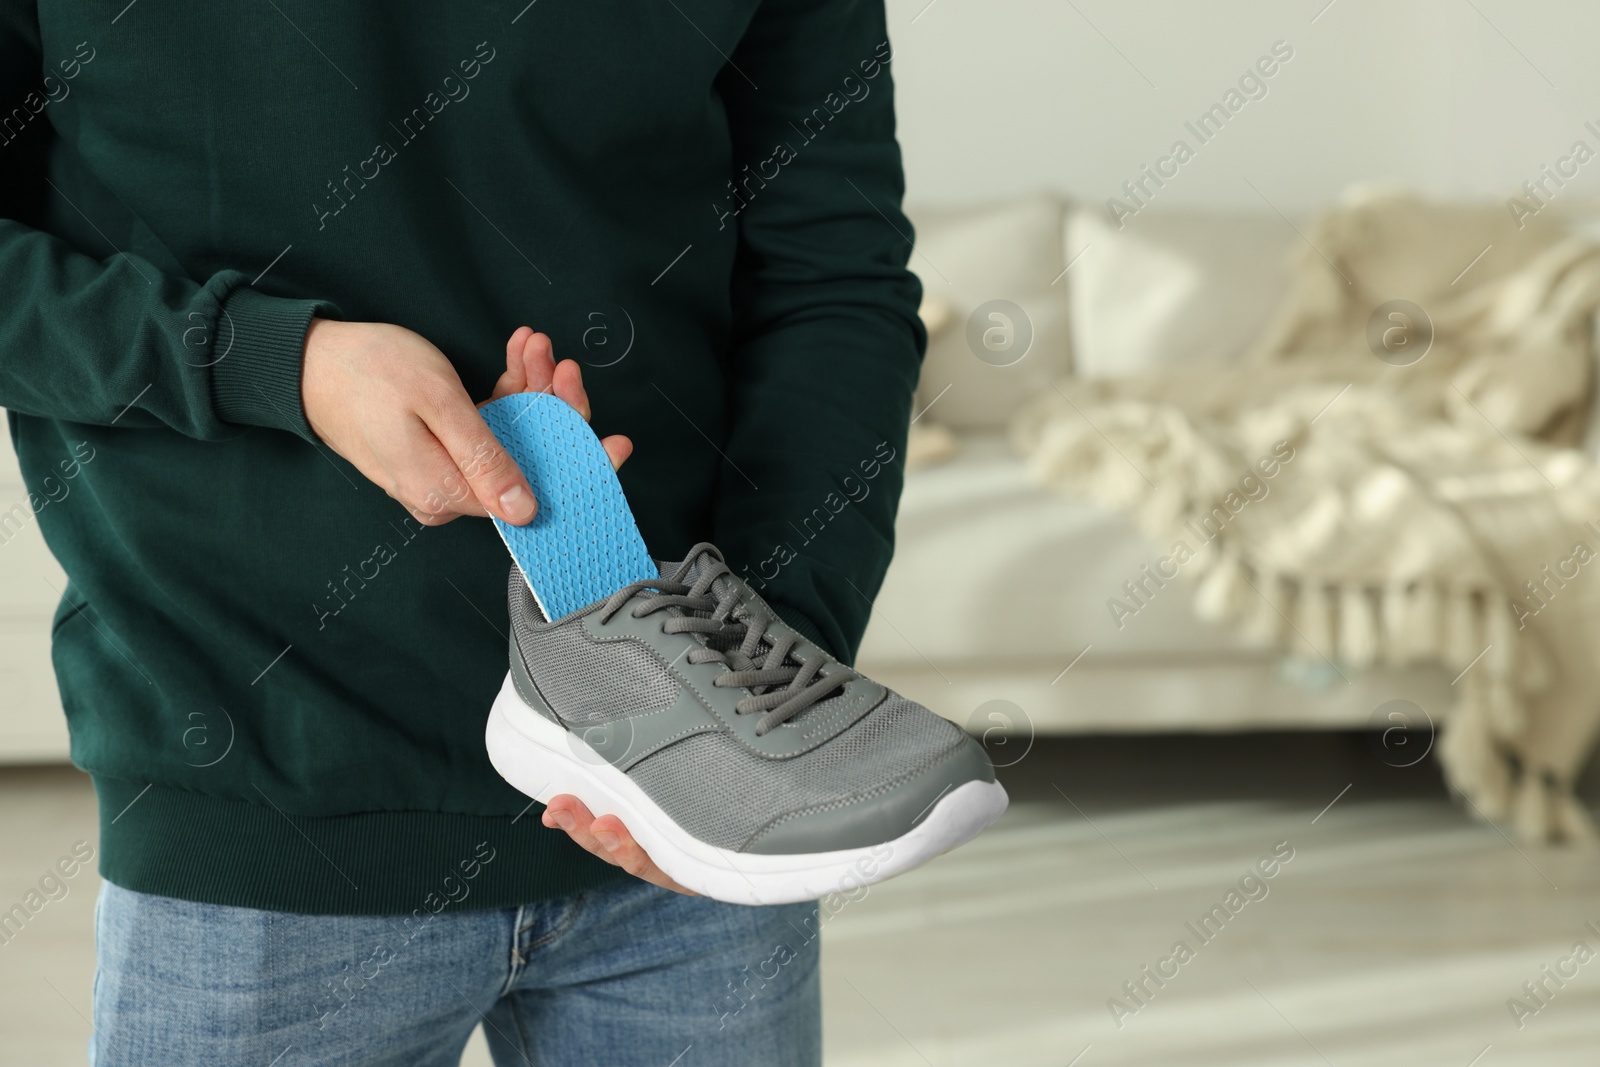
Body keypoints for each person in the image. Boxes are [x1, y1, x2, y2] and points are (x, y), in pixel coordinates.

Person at [1, 1, 923, 1063]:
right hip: (263, 803)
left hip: (686, 800)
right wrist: (272, 362)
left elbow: (831, 277)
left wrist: (758, 686)